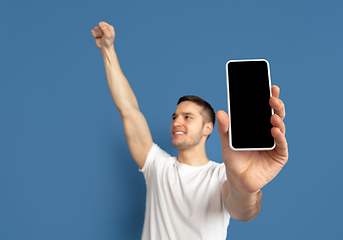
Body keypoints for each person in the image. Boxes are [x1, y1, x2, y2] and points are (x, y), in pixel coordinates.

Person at [91, 21, 288, 240]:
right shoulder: (157, 166)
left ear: (208, 128)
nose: (177, 122)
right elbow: (129, 110)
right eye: (174, 117)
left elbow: (243, 211)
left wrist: (246, 189)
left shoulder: (224, 174)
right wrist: (108, 50)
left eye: (187, 117)